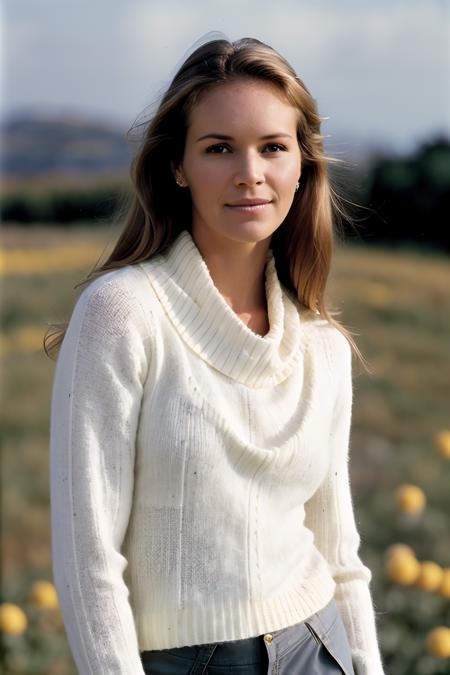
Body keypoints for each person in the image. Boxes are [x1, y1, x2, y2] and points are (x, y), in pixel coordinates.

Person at [46, 36, 387, 675]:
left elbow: (342, 556)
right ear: (178, 166)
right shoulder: (122, 313)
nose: (249, 173)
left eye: (273, 148)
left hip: (317, 648)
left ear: (302, 165)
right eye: (219, 148)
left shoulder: (322, 346)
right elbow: (87, 557)